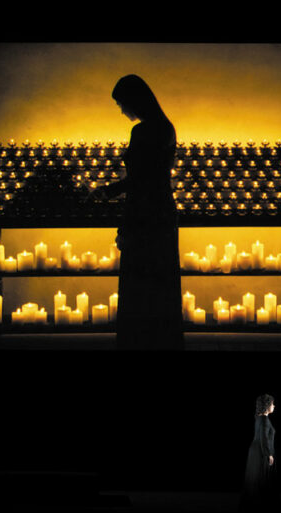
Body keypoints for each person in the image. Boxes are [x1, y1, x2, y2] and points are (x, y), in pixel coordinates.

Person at [92, 74, 184, 350]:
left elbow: (139, 186)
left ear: (134, 100)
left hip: (144, 219)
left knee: (139, 288)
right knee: (161, 286)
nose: (122, 110)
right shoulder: (167, 128)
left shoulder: (142, 132)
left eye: (122, 103)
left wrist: (124, 228)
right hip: (164, 214)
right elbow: (150, 178)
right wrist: (109, 191)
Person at [240, 394, 281, 513]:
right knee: (262, 479)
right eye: (272, 403)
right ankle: (263, 510)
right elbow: (264, 438)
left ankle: (253, 509)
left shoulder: (258, 418)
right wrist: (268, 454)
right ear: (267, 405)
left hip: (254, 451)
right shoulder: (264, 420)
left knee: (255, 479)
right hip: (261, 451)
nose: (274, 406)